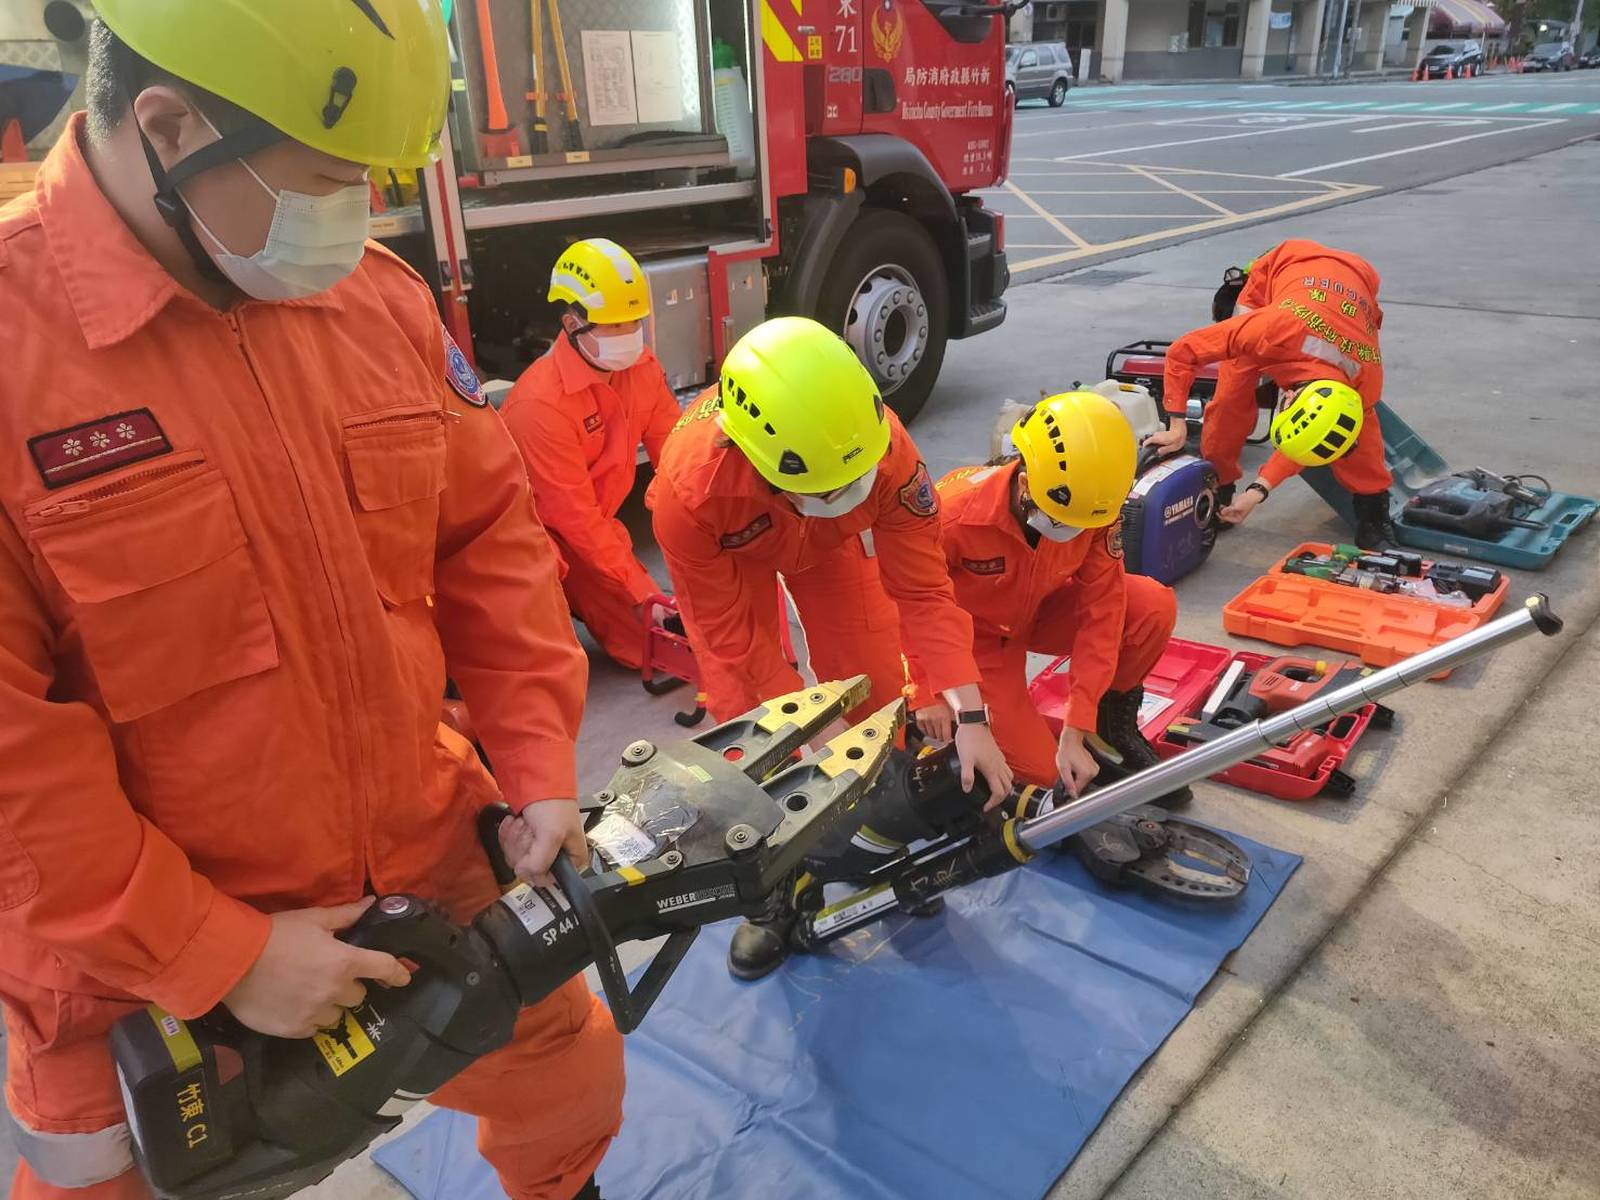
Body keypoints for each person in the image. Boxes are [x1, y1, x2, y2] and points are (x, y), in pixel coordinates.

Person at [0, 6, 620, 1198]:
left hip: (422, 859)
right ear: (169, 127)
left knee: (563, 1069)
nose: (356, 220)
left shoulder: (375, 305)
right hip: (128, 964)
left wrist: (537, 758)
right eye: (330, 184)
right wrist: (216, 953)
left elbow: (487, 538)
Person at [648, 316, 1012, 978]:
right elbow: (733, 636)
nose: (848, 494)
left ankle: (880, 839)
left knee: (874, 682)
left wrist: (971, 714)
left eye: (856, 480)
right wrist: (814, 725)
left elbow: (925, 593)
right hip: (733, 560)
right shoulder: (689, 493)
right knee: (749, 723)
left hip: (827, 543)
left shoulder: (881, 450)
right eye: (829, 488)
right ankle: (773, 888)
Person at [913, 392, 1189, 807]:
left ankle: (1107, 729)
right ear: (1025, 484)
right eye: (1063, 522)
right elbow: (908, 603)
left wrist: (1078, 724)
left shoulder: (1095, 505)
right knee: (1044, 778)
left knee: (1150, 607)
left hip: (1040, 610)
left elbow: (1104, 612)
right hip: (973, 645)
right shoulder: (952, 515)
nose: (1073, 534)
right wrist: (925, 692)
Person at [501, 239, 680, 669]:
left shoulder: (640, 369)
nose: (629, 335)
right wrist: (641, 591)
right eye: (615, 325)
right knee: (546, 660)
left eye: (634, 322)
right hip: (538, 541)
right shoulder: (540, 406)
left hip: (588, 529)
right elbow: (574, 519)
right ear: (571, 323)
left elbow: (677, 455)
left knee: (652, 647)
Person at [1144, 239, 1394, 547]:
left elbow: (1305, 436)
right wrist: (1177, 424)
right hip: (1281, 277)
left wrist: (1257, 491)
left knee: (1360, 435)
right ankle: (1219, 484)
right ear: (1288, 397)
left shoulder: (1365, 381)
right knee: (1230, 401)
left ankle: (1373, 512)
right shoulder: (1268, 329)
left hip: (1357, 276)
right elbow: (1183, 352)